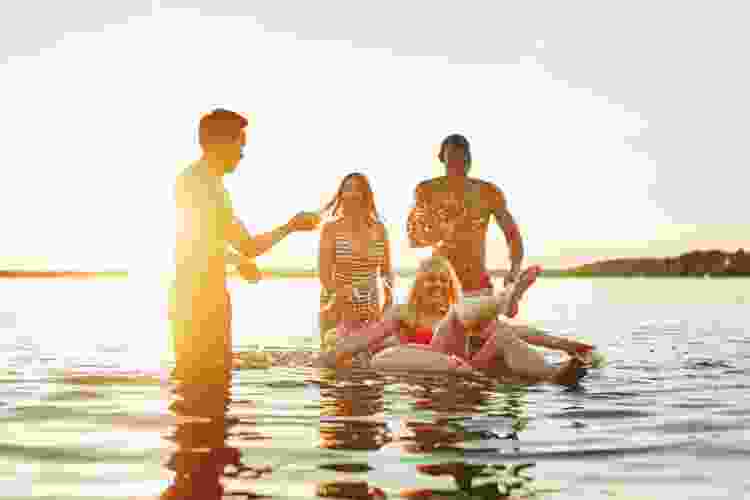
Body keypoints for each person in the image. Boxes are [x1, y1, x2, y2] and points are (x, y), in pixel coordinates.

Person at [170, 108, 318, 378]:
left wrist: (240, 258)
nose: (242, 154)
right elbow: (205, 241)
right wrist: (287, 229)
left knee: (208, 378)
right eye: (240, 144)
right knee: (203, 378)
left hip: (204, 294)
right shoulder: (197, 183)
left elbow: (231, 243)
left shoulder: (208, 185)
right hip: (196, 298)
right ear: (220, 143)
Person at [319, 256, 592, 386]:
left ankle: (554, 377)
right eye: (429, 281)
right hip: (430, 364)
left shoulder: (458, 312)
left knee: (503, 335)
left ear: (449, 285)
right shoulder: (404, 313)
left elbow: (516, 331)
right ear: (419, 286)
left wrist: (561, 343)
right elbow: (364, 339)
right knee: (388, 354)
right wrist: (327, 358)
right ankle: (503, 300)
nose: (436, 285)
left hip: (467, 366)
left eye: (442, 281)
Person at [407, 134, 524, 293]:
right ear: (443, 159)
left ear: (469, 159)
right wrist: (444, 231)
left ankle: (510, 299)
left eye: (463, 157)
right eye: (453, 157)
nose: (459, 163)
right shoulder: (427, 190)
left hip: (477, 282)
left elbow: (512, 234)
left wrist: (515, 269)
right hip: (440, 284)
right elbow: (414, 239)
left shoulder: (488, 192)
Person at [318, 173, 394, 346]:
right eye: (347, 189)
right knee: (333, 365)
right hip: (338, 305)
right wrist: (340, 297)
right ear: (341, 194)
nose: (352, 195)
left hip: (371, 305)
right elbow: (324, 275)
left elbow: (386, 272)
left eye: (357, 190)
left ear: (365, 195)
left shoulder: (379, 229)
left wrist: (388, 302)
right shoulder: (331, 229)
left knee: (369, 364)